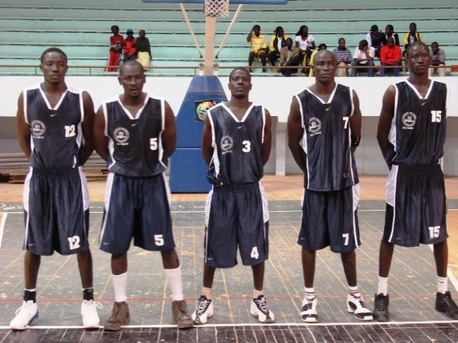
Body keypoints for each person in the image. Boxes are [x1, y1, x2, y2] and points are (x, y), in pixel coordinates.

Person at [94, 60, 193, 330]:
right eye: (128, 78)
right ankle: (120, 305)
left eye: (138, 77)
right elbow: (101, 145)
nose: (134, 82)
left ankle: (178, 302)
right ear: (120, 80)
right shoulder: (106, 110)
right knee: (117, 247)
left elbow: (169, 146)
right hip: (121, 184)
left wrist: (149, 164)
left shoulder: (161, 107)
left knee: (167, 245)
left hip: (153, 183)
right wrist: (123, 165)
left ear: (144, 78)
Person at [10, 47, 100, 330]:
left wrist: (75, 163)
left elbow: (92, 139)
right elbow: (24, 138)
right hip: (39, 180)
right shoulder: (27, 97)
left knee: (79, 242)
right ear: (41, 67)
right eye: (49, 64)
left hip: (71, 179)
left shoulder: (80, 98)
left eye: (60, 64)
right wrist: (39, 164)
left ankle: (88, 302)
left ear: (67, 67)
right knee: (33, 242)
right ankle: (29, 303)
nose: (55, 68)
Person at [373, 41, 458, 322]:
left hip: (432, 173)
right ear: (406, 61)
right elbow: (381, 134)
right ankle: (382, 295)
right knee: (390, 234)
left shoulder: (442, 90)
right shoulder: (395, 92)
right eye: (414, 56)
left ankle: (442, 294)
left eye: (423, 55)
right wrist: (395, 164)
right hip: (404, 172)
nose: (419, 59)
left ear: (430, 59)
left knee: (440, 235)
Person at [287, 50, 373, 323]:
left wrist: (339, 163)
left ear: (337, 66)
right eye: (319, 63)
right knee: (309, 243)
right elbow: (293, 143)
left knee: (347, 244)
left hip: (344, 184)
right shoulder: (300, 101)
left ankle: (354, 296)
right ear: (312, 68)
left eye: (329, 63)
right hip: (314, 186)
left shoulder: (349, 96)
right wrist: (311, 169)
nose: (325, 67)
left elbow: (356, 137)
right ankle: (309, 298)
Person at [191, 67, 274, 325]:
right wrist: (224, 172)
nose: (240, 83)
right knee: (213, 247)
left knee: (256, 248)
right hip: (222, 193)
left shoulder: (262, 114)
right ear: (229, 84)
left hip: (250, 191)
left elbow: (264, 153)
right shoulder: (214, 115)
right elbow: (207, 152)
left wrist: (247, 171)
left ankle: (258, 298)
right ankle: (206, 298)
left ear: (251, 84)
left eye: (245, 79)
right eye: (236, 79)